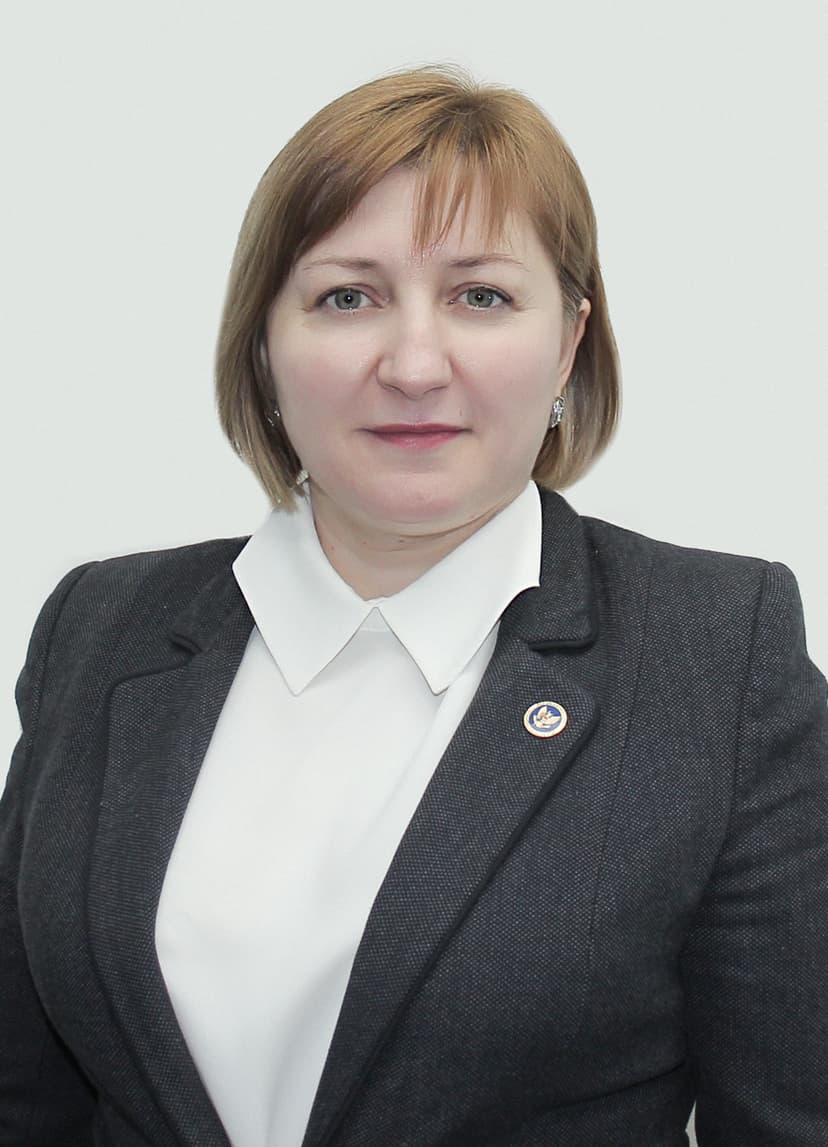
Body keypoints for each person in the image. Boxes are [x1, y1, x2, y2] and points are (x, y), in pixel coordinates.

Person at [1, 65, 826, 1147]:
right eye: (348, 296)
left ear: (569, 342)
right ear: (264, 341)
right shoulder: (100, 627)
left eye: (481, 296)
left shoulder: (718, 653)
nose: (415, 364)